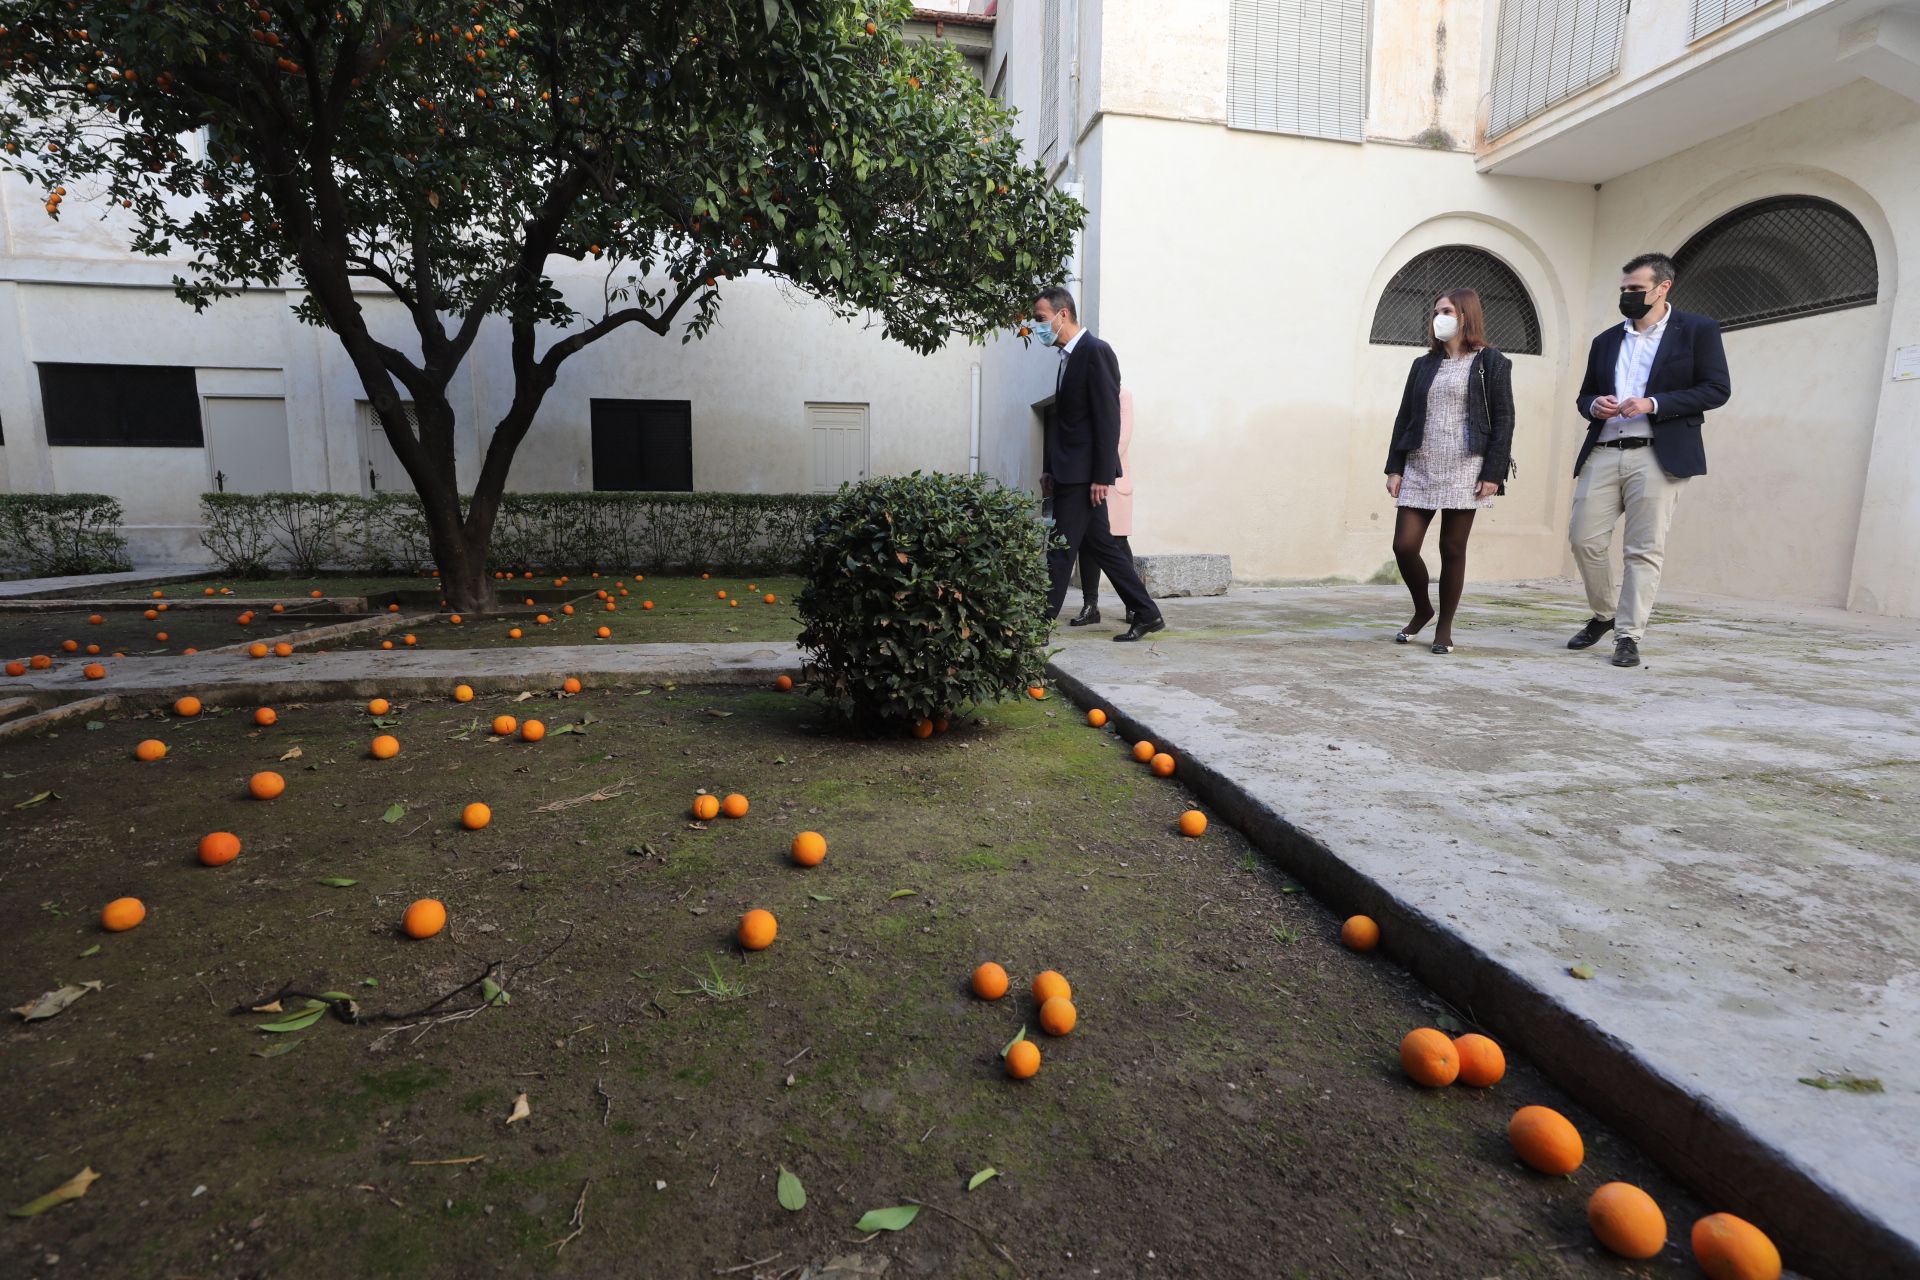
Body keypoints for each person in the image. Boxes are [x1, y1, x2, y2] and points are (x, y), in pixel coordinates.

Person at [1567, 253, 1731, 667]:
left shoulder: (1697, 330)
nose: (1627, 296)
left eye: (1636, 290)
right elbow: (1584, 394)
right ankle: (1604, 614)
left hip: (1658, 454)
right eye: (1624, 289)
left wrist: (1653, 403)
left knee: (1643, 550)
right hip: (1605, 449)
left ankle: (1628, 634)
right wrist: (1595, 406)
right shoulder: (1606, 340)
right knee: (1584, 539)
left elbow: (1716, 389)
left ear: (1663, 288)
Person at [1383, 288, 1515, 653]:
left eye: (1447, 311)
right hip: (1420, 463)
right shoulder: (1422, 365)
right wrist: (1395, 468)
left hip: (1466, 465)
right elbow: (1404, 417)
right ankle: (1422, 609)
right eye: (1437, 311)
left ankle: (1444, 627)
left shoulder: (1492, 362)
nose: (1439, 317)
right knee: (1404, 545)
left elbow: (1504, 419)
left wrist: (1494, 472)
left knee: (1452, 548)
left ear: (1465, 316)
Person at [1032, 287, 1163, 642]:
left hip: (1083, 476)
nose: (1037, 327)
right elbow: (1065, 424)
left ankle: (1039, 626)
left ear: (1063, 314)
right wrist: (1049, 467)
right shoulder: (1067, 358)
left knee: (1060, 551)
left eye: (1041, 319)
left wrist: (1102, 476)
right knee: (1105, 548)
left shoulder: (1095, 352)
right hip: (1068, 472)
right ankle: (1148, 613)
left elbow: (1108, 420)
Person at [1068, 387, 1135, 627]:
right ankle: (1090, 606)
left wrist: (1095, 467)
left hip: (1113, 479)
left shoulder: (1121, 395)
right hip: (1087, 480)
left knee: (1117, 542)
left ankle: (1134, 604)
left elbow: (1122, 439)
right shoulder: (1087, 396)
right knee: (1087, 543)